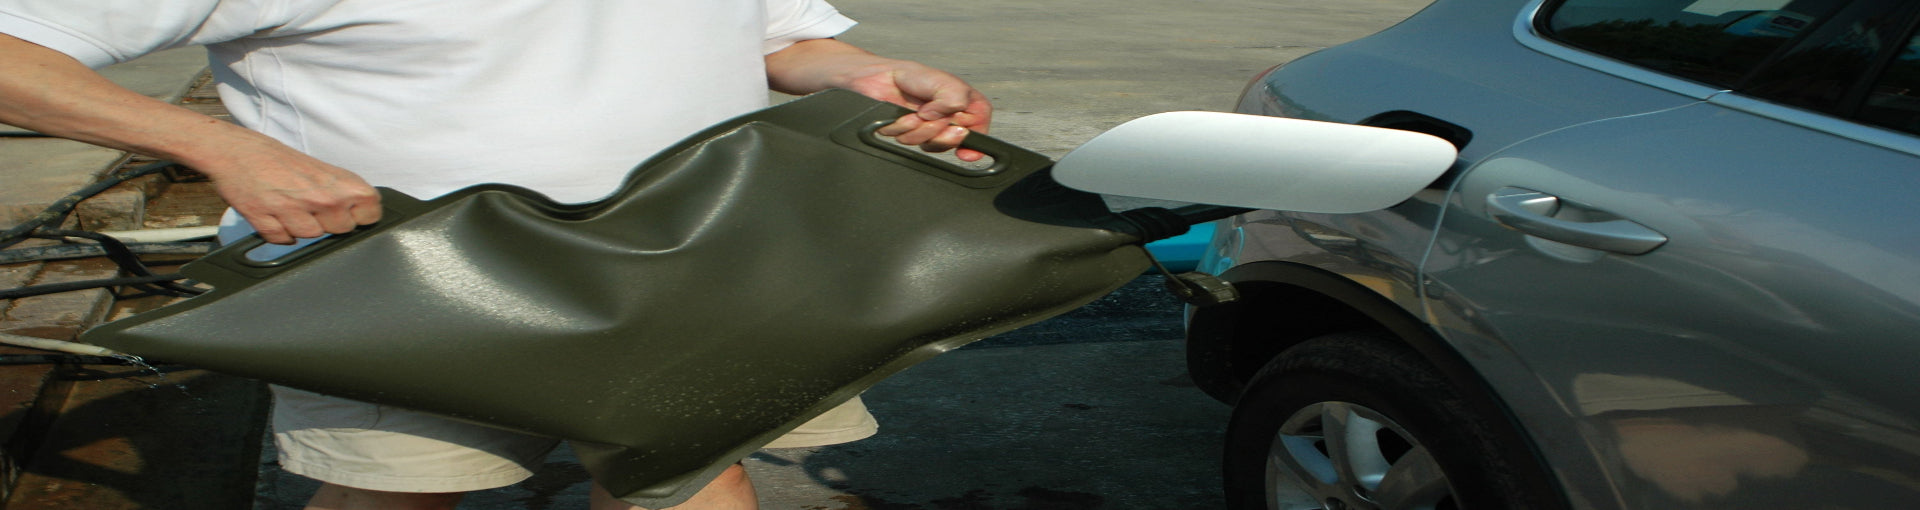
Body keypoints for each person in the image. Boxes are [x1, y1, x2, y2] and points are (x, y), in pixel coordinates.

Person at [0, 1, 991, 509]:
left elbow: (767, 33)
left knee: (691, 476)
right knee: (400, 489)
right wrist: (225, 148)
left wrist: (859, 72)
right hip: (415, 287)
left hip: (700, 264)